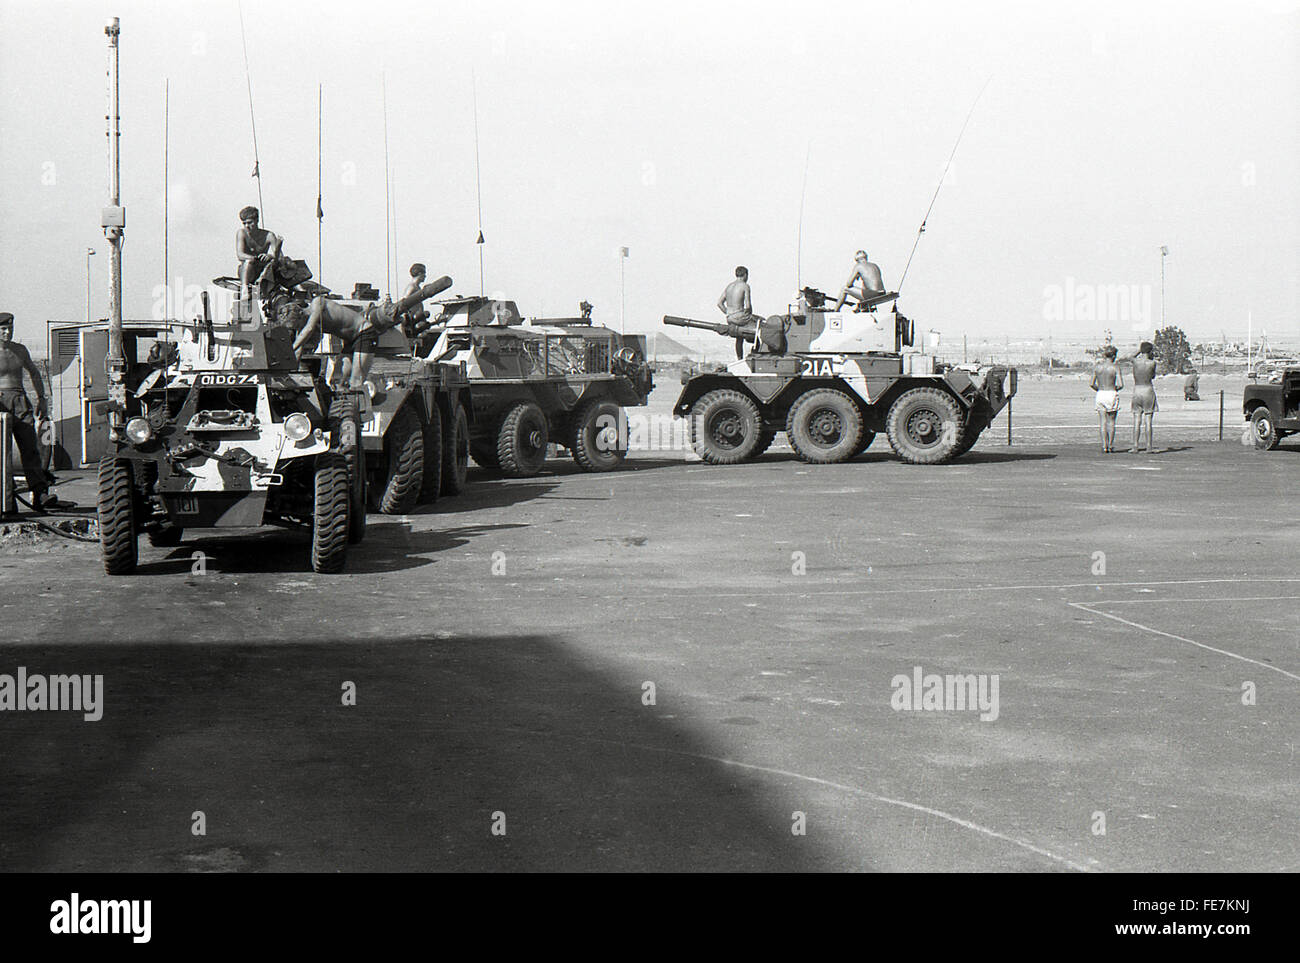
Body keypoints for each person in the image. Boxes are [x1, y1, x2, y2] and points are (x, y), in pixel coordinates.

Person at [0, 313, 69, 514]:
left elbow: (34, 373)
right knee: (2, 453)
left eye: (10, 328)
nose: (7, 332)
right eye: (3, 329)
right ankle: (6, 498)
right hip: (0, 403)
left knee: (30, 448)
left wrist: (42, 399)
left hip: (20, 400)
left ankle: (40, 494)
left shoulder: (19, 350)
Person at [235, 206, 284, 301]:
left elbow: (280, 257)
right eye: (244, 223)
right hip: (247, 271)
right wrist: (254, 258)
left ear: (257, 220)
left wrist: (269, 256)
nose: (247, 226)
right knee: (248, 261)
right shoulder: (242, 233)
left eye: (249, 223)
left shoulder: (268, 235)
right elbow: (240, 255)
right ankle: (244, 289)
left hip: (263, 270)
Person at [1090, 344, 1123, 453]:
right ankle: (1110, 445)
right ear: (1113, 355)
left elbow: (1091, 383)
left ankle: (1104, 445)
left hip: (1100, 393)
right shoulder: (1115, 367)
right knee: (1112, 422)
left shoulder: (1097, 367)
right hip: (1111, 392)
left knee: (1102, 421)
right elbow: (1121, 384)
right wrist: (1115, 389)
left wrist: (1098, 389)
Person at [717, 265, 754, 359]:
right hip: (740, 317)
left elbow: (719, 303)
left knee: (739, 337)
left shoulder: (729, 286)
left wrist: (728, 313)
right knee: (759, 324)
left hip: (729, 317)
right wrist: (750, 315)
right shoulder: (745, 286)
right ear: (745, 275)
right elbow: (748, 306)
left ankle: (739, 358)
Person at [1129, 341, 1158, 451]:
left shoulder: (1136, 361)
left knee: (1137, 420)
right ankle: (1149, 446)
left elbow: (1130, 356)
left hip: (1137, 389)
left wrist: (1139, 350)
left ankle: (1135, 446)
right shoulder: (1152, 363)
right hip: (1148, 389)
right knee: (1148, 420)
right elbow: (1153, 376)